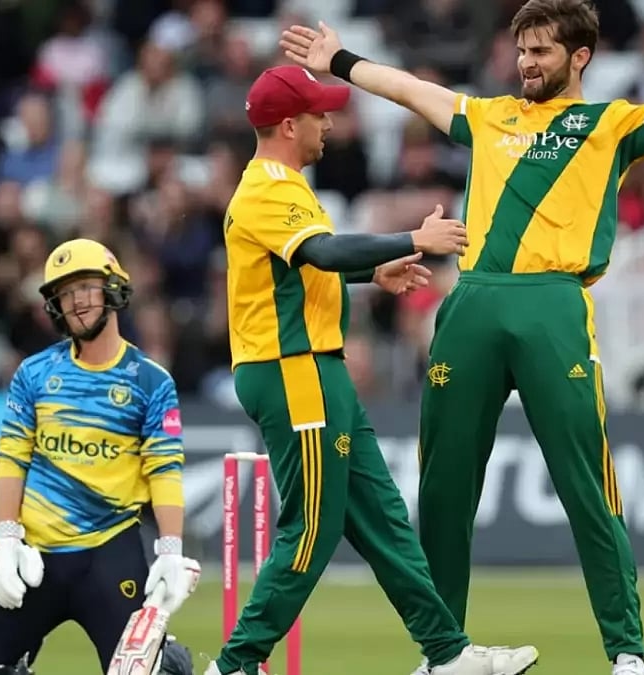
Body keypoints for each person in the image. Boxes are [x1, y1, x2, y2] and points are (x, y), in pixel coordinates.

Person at [279, 2, 644, 673]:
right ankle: (444, 654)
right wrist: (339, 61)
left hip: (553, 307)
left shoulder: (611, 126)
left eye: (541, 52)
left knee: (586, 486)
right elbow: (412, 90)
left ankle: (627, 653)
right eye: (522, 51)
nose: (526, 64)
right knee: (444, 489)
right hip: (472, 304)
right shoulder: (489, 117)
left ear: (580, 57)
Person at [205, 64, 540, 675]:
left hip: (313, 371)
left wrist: (371, 271)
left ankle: (447, 653)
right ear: (289, 125)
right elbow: (324, 251)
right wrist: (412, 239)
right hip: (293, 372)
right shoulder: (268, 189)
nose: (328, 124)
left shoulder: (283, 185)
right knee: (312, 529)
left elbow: (305, 268)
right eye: (318, 114)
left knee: (383, 520)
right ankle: (234, 665)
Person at [0, 238, 201, 675]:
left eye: (86, 287)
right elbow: (12, 457)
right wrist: (6, 537)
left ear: (113, 289)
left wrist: (171, 550)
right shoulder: (35, 373)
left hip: (109, 554)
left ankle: (166, 660)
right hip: (36, 559)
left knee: (146, 673)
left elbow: (165, 469)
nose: (76, 302)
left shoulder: (151, 381)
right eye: (65, 293)